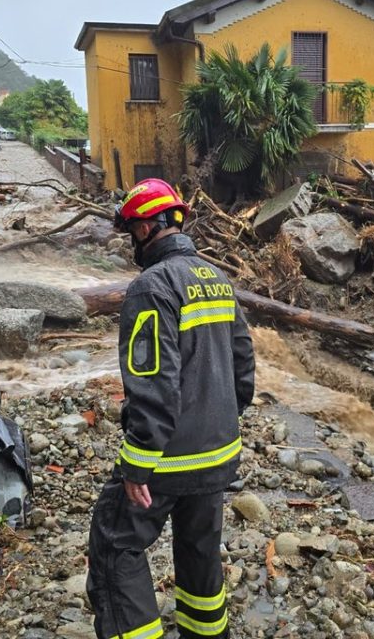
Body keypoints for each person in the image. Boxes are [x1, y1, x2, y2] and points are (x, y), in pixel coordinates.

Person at [87, 177, 255, 639]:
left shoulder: (151, 286)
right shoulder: (217, 280)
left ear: (145, 230)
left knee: (115, 545)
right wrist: (218, 426)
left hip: (168, 458)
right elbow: (243, 368)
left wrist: (137, 464)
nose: (131, 243)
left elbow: (153, 384)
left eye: (131, 233)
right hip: (218, 454)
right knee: (199, 550)